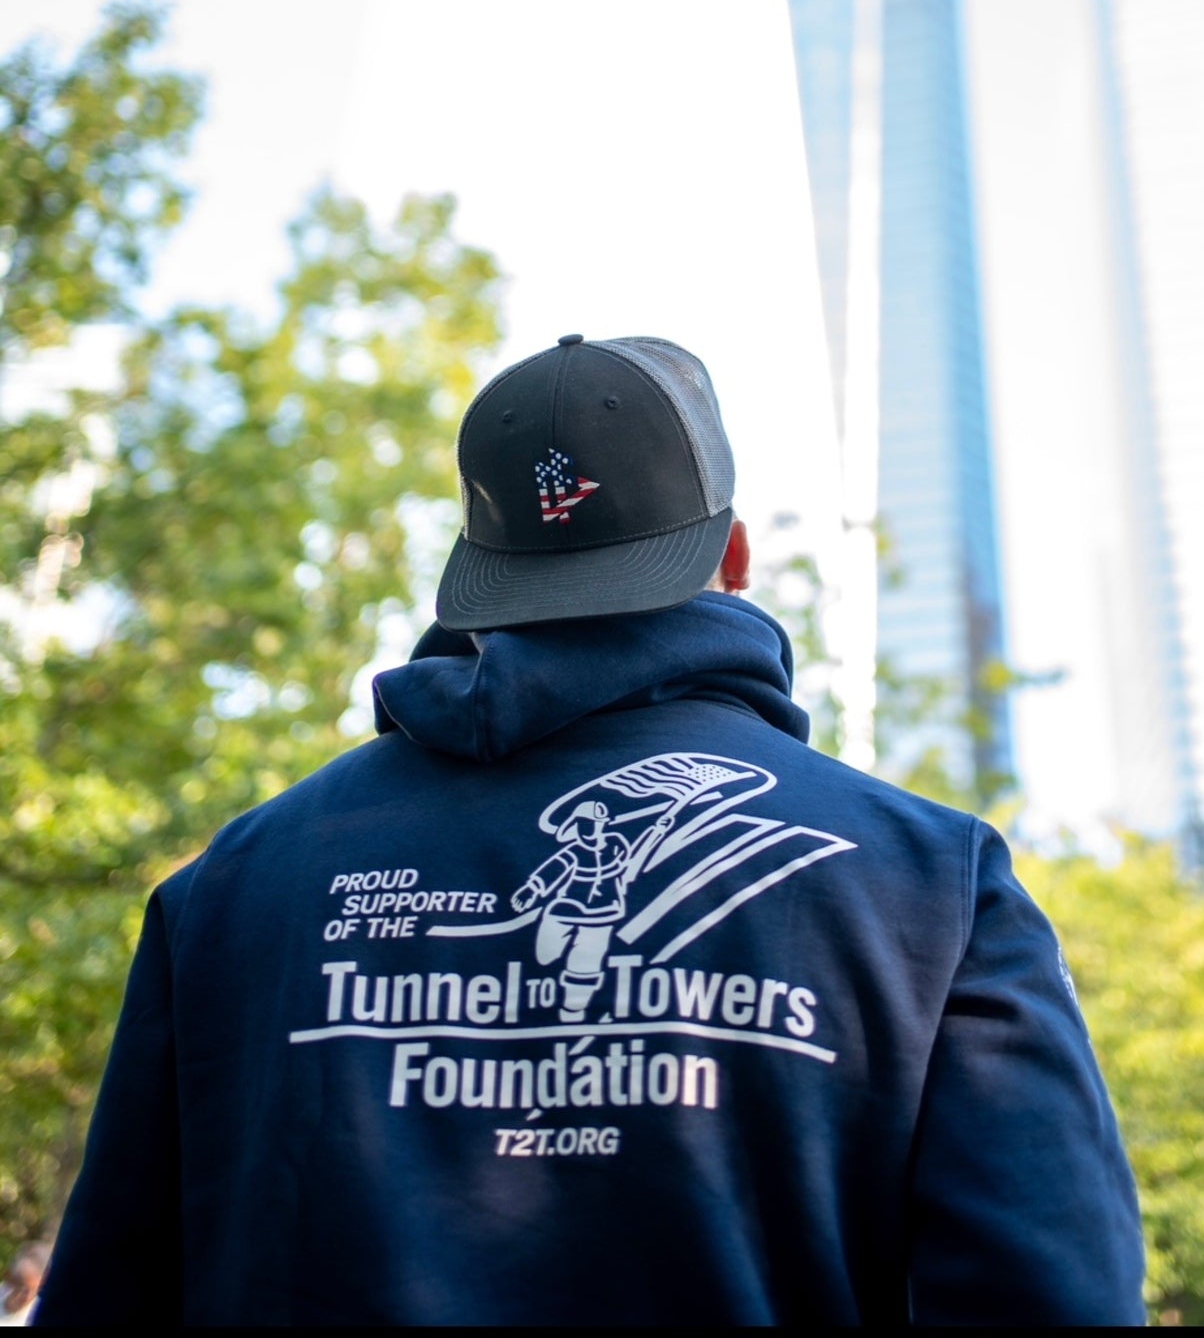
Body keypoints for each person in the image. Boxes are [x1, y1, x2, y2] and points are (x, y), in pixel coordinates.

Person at [35, 334, 1144, 1326]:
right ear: (734, 556)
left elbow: (107, 1298)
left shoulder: (232, 888)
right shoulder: (931, 888)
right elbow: (1052, 1296)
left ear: (481, 576)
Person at [1, 1244, 50, 1327]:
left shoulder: (41, 1317)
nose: (26, 1297)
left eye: (34, 1290)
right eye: (20, 1287)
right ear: (8, 1277)